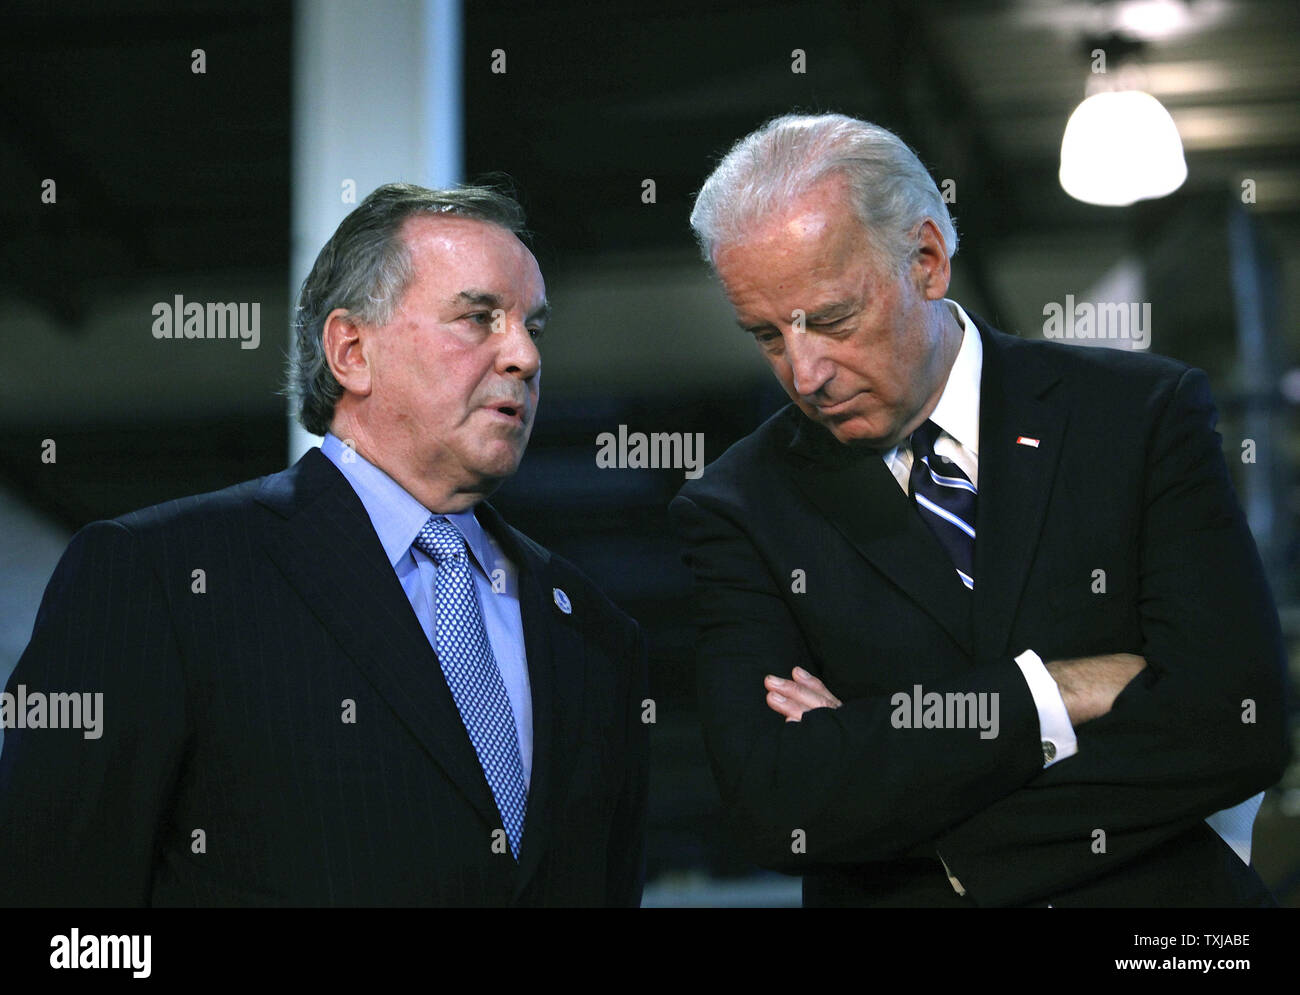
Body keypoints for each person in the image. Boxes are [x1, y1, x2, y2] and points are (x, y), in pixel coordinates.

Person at [670, 113, 1289, 906]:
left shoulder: (1136, 415)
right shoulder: (737, 505)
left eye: (831, 320)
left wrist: (889, 766)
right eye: (764, 335)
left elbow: (1236, 724)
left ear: (926, 260)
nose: (805, 372)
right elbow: (780, 803)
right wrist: (1049, 693)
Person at [0, 182, 648, 906]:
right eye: (478, 318)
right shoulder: (162, 577)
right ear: (350, 350)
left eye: (533, 326)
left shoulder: (593, 632)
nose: (525, 356)